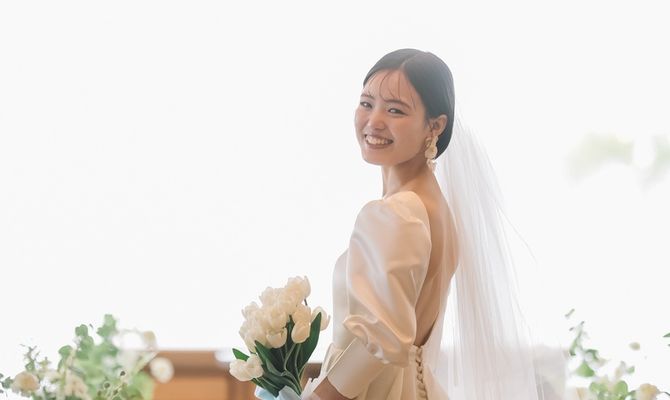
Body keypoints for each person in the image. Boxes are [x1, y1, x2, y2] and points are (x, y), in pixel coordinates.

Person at [295, 49, 554, 400]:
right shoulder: (436, 207)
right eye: (367, 103)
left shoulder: (395, 213)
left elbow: (380, 339)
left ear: (435, 125)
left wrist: (316, 398)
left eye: (395, 110)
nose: (374, 121)